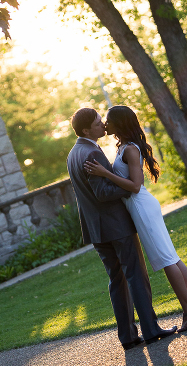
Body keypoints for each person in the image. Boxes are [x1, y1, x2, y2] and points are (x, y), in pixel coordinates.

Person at [84, 105, 187, 333]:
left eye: (108, 120)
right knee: (171, 256)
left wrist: (105, 173)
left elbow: (135, 186)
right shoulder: (124, 147)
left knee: (165, 259)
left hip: (141, 207)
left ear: (119, 123)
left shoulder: (130, 149)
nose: (105, 125)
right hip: (140, 207)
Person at [67, 107, 177, 351]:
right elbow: (103, 192)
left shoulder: (73, 153)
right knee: (136, 275)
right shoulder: (91, 153)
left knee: (116, 281)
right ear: (87, 130)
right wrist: (131, 187)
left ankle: (127, 337)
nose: (103, 125)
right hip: (116, 227)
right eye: (98, 122)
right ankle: (151, 330)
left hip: (96, 230)